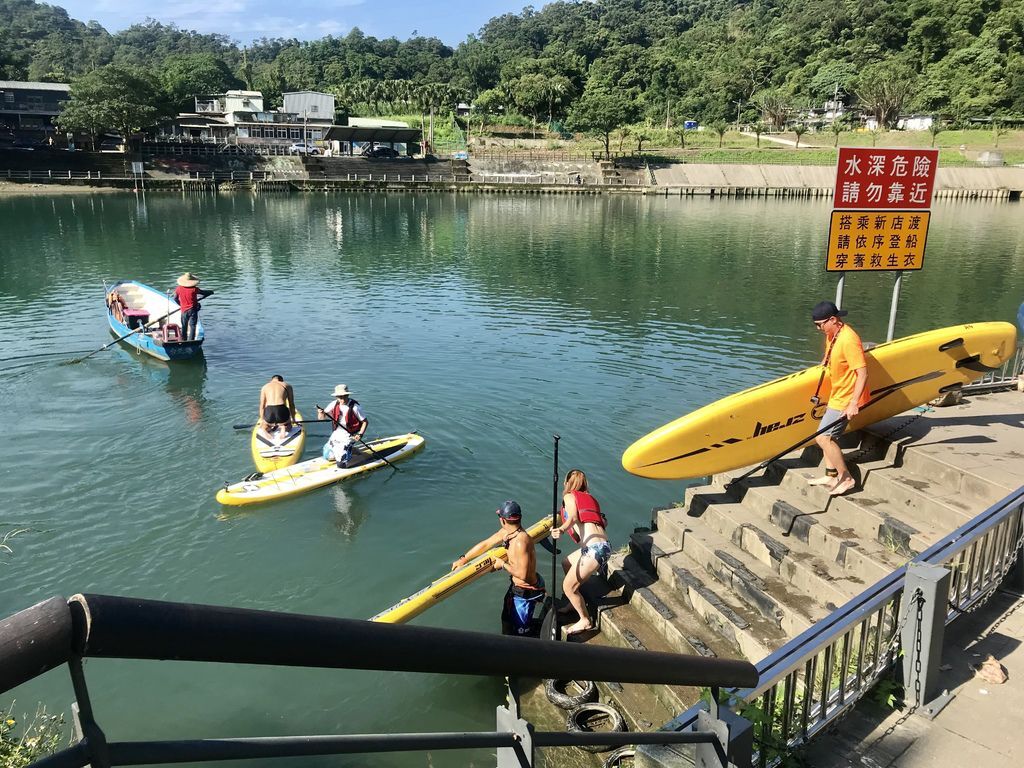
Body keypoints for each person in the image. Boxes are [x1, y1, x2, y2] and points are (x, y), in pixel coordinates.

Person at [451, 501, 545, 636]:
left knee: (521, 630)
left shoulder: (520, 541)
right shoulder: (507, 532)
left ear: (502, 520)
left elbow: (523, 574)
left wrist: (503, 565)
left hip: (525, 593)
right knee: (506, 621)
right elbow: (486, 544)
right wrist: (464, 559)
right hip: (516, 589)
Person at [808, 300, 869, 496]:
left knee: (823, 438)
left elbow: (862, 373)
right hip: (836, 394)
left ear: (833, 319)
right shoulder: (832, 334)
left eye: (820, 324)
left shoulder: (849, 340)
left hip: (845, 399)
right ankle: (831, 475)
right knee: (829, 437)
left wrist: (853, 403)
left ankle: (846, 478)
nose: (818, 328)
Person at [551, 469, 610, 635]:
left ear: (567, 483)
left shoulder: (569, 496)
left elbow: (574, 518)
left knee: (567, 587)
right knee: (566, 563)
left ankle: (585, 620)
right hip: (603, 546)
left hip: (594, 550)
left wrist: (561, 529)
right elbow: (603, 522)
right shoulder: (590, 499)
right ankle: (573, 602)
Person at [317, 384, 367, 468]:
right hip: (337, 433)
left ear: (348, 395)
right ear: (336, 397)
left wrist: (360, 434)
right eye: (340, 397)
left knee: (341, 465)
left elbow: (365, 422)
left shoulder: (355, 407)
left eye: (344, 396)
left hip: (350, 435)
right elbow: (321, 419)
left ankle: (366, 457)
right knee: (327, 456)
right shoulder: (334, 404)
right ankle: (351, 450)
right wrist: (320, 413)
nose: (342, 399)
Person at [173, 272, 213, 341]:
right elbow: (203, 292)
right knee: (192, 326)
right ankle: (191, 340)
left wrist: (181, 304)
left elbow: (175, 298)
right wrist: (210, 291)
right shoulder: (194, 289)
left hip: (184, 311)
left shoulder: (178, 289)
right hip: (193, 310)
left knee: (184, 326)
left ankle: (183, 340)